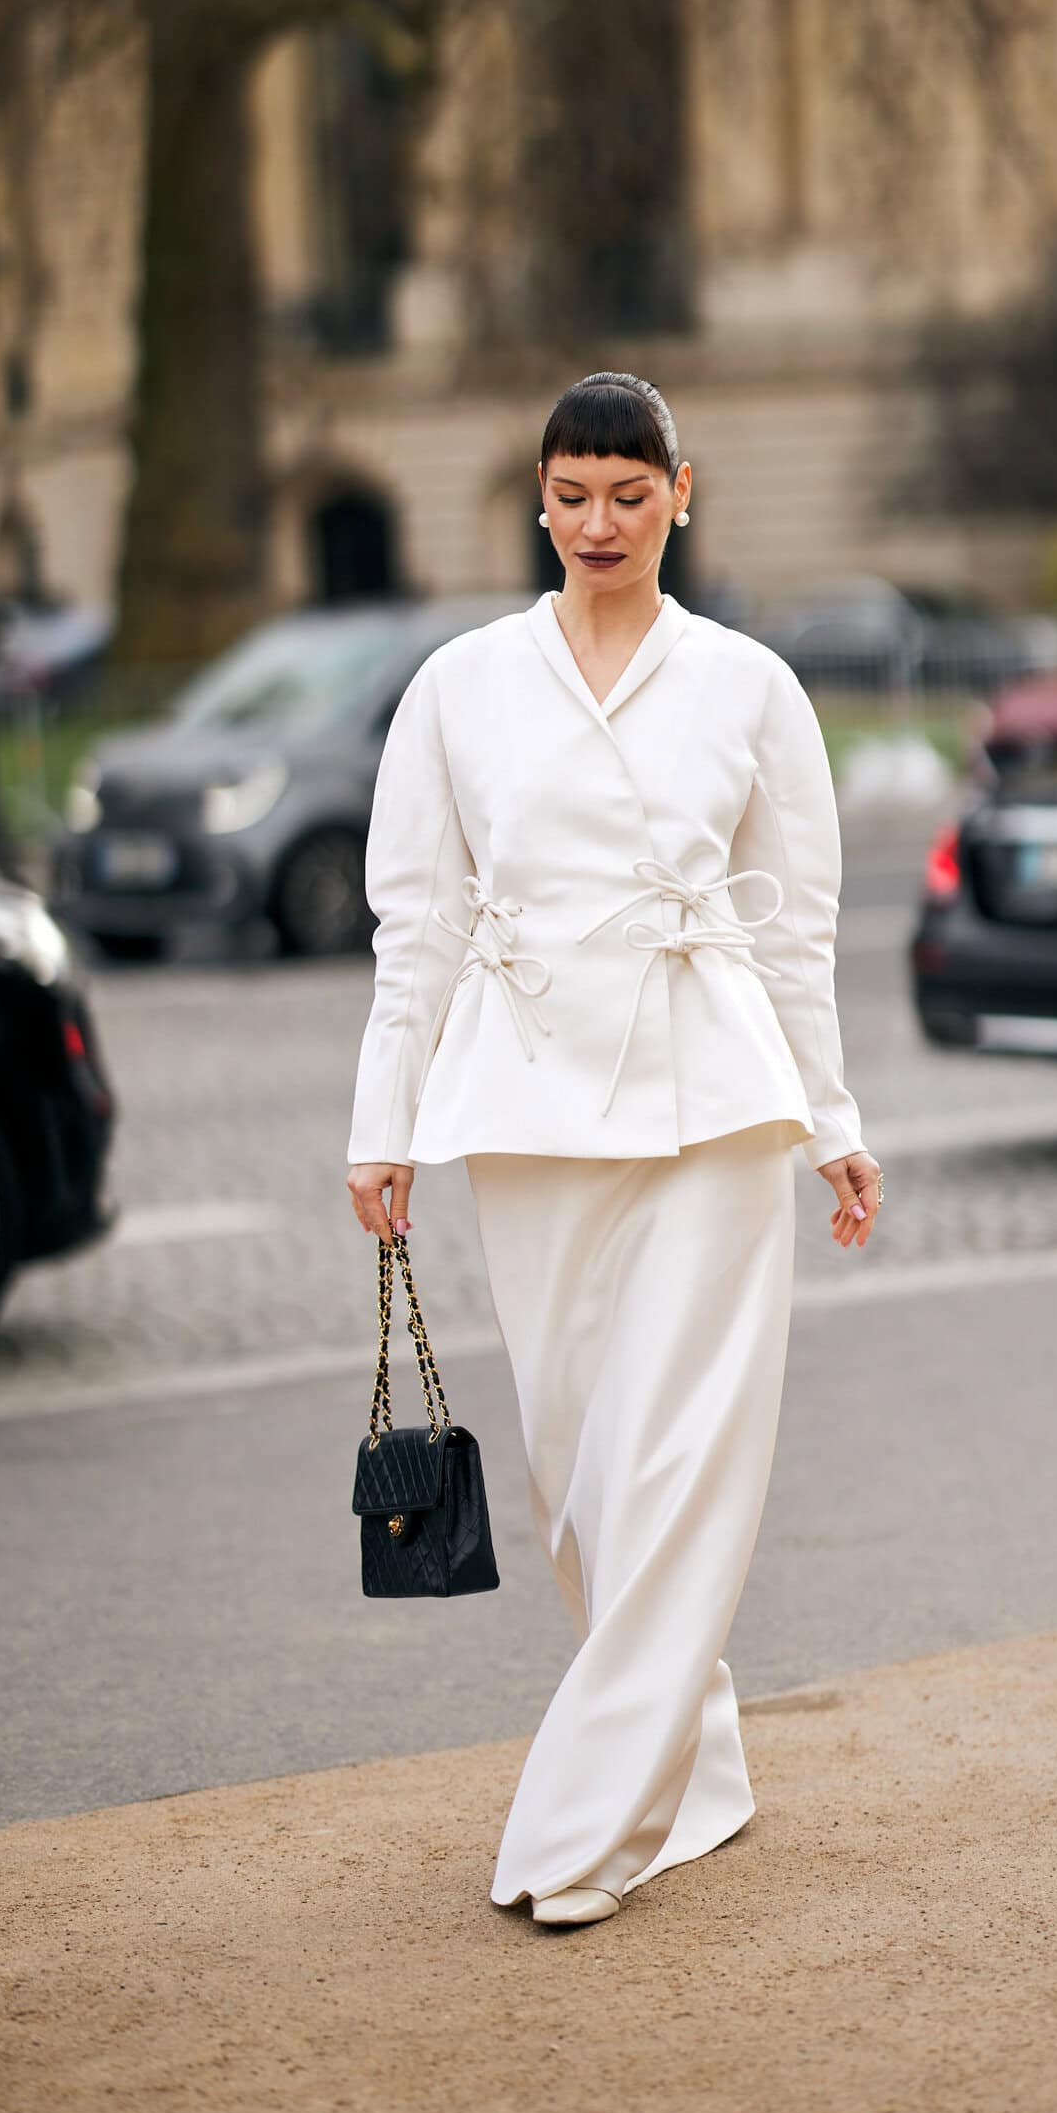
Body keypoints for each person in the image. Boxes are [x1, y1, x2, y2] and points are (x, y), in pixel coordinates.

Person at [345, 370, 883, 1929]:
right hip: (521, 1108)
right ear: (538, 494)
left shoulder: (751, 687)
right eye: (573, 495)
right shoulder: (457, 685)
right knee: (578, 1474)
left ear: (681, 496)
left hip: (718, 1107)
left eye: (629, 497)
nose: (599, 524)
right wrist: (383, 1125)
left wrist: (833, 1124)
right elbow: (416, 924)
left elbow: (799, 931)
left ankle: (585, 1826)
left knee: (683, 1459)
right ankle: (695, 1756)